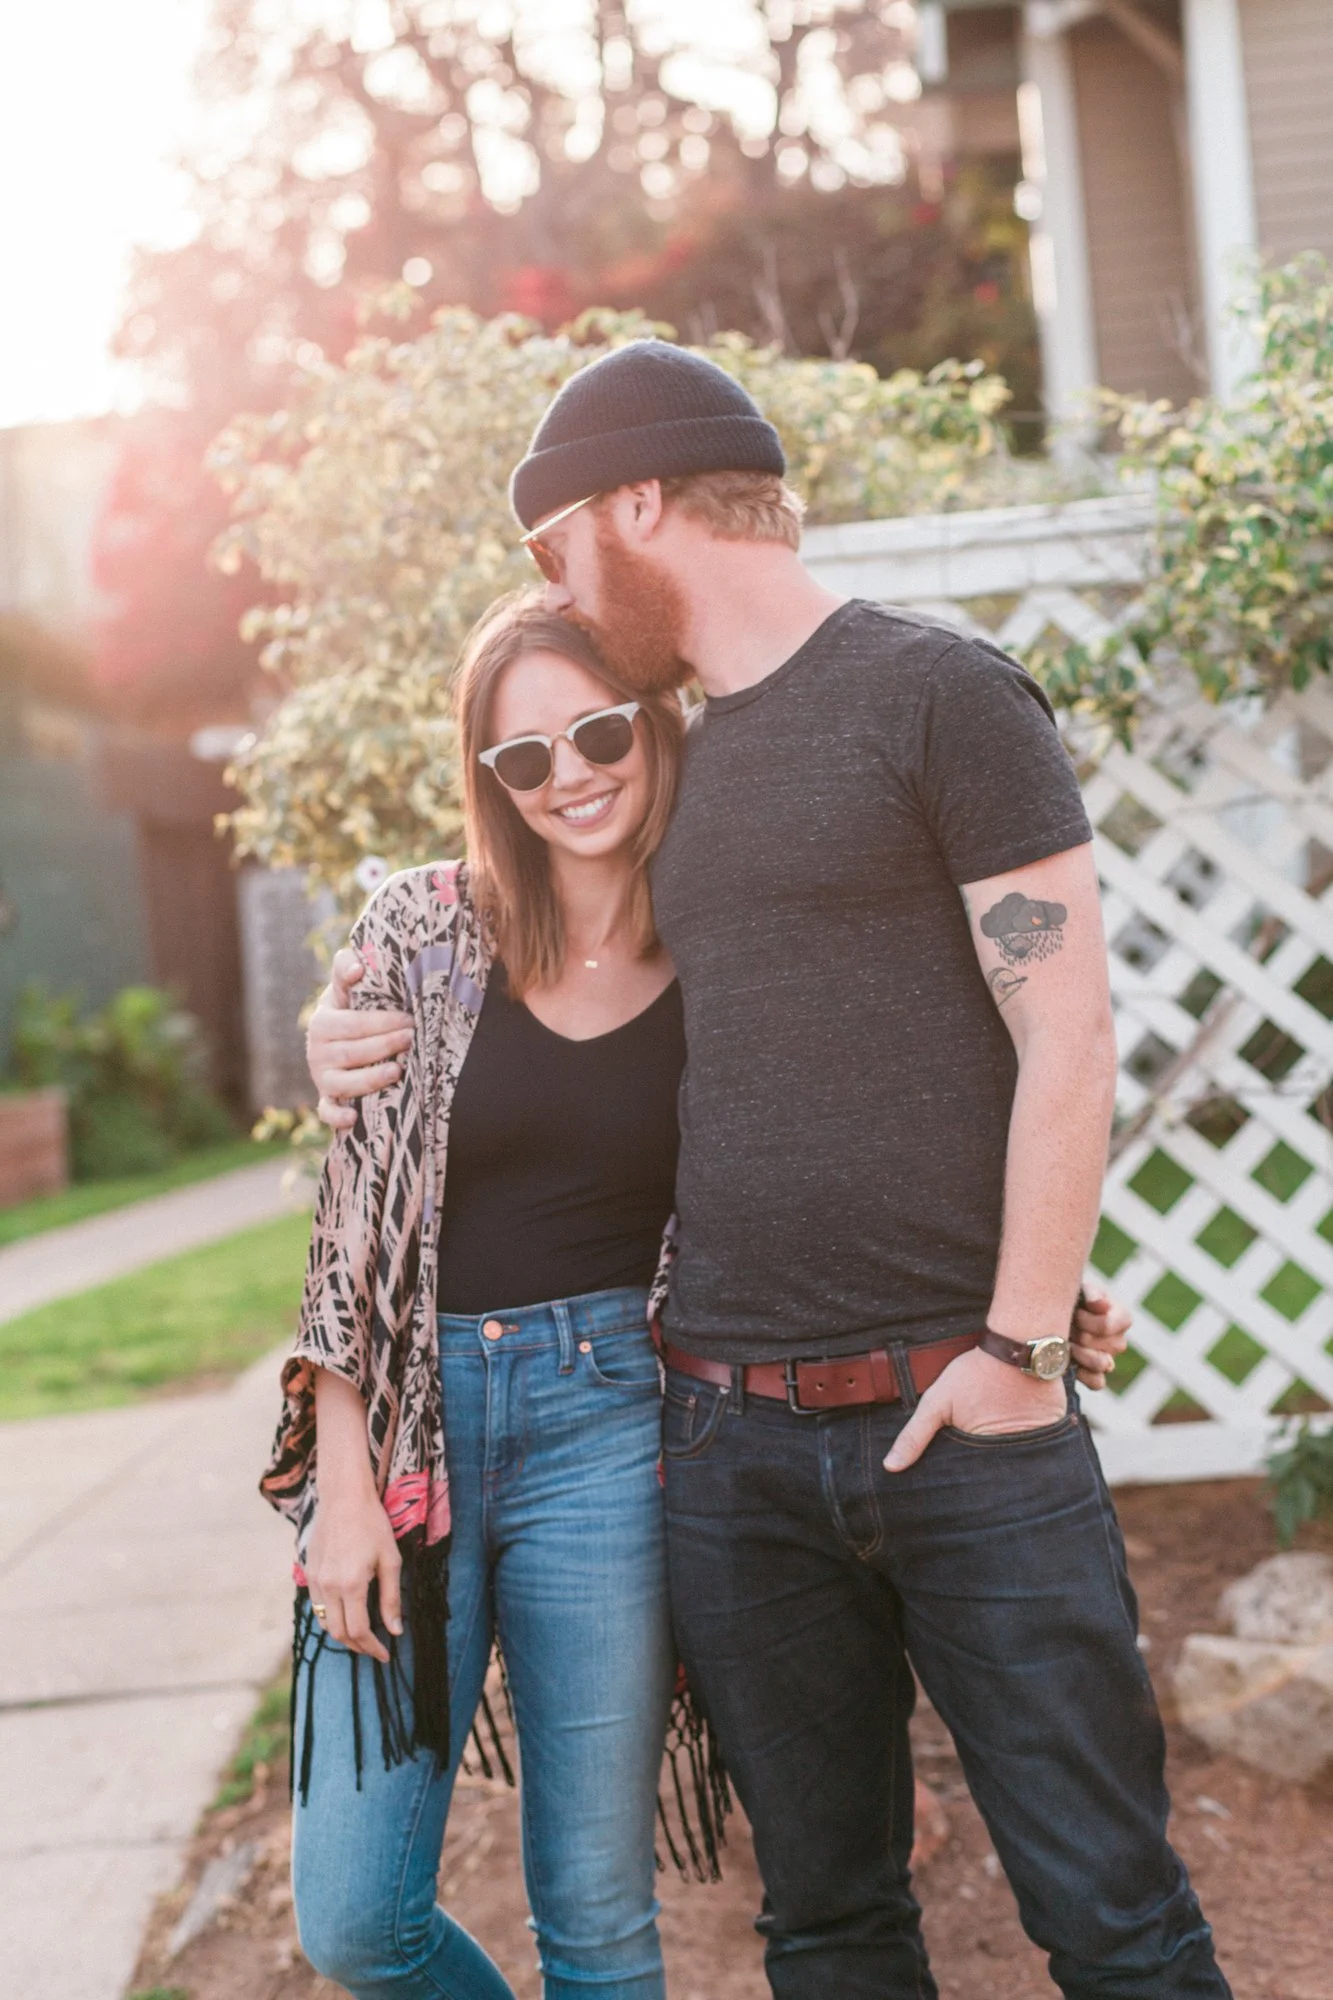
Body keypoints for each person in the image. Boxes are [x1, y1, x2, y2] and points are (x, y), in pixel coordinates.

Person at [303, 341, 1213, 2000]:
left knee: (1112, 1917)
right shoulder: (669, 776)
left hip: (966, 1416)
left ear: (637, 502)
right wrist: (339, 1023)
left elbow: (1068, 1036)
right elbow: (504, 940)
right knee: (833, 1930)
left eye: (557, 542)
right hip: (725, 1448)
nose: (559, 587)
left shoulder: (942, 694)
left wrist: (1021, 1343)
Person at [264, 600, 697, 2000]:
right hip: (410, 1432)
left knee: (601, 1923)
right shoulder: (423, 932)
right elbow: (352, 1239)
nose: (568, 772)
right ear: (489, 778)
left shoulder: (725, 948)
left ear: (654, 723)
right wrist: (340, 1486)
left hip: (612, 1430)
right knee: (354, 1920)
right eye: (523, 755)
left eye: (597, 730)